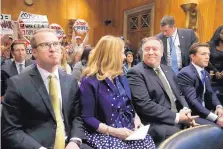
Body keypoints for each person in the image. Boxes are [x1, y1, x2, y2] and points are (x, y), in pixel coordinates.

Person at [1, 28, 90, 149]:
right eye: (45, 45)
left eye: (55, 44)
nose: (53, 49)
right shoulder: (17, 84)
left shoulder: (71, 81)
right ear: (34, 52)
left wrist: (75, 141)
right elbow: (10, 130)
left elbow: (77, 117)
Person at [79, 35, 155, 149]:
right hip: (104, 133)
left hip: (127, 130)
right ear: (111, 55)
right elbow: (87, 117)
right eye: (122, 53)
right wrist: (114, 131)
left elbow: (128, 105)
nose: (124, 57)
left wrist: (136, 118)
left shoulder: (121, 77)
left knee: (147, 144)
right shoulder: (90, 81)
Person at [127, 37, 197, 146]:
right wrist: (178, 118)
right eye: (147, 49)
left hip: (179, 117)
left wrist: (186, 110)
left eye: (154, 49)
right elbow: (145, 105)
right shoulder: (135, 73)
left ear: (161, 52)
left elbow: (179, 94)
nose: (150, 52)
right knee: (184, 139)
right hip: (156, 122)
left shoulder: (168, 70)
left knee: (208, 129)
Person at [177, 42, 223, 127]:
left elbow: (211, 93)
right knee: (217, 128)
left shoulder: (205, 73)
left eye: (208, 54)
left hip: (205, 111)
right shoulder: (185, 73)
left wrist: (219, 107)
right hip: (193, 114)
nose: (207, 57)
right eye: (203, 54)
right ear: (193, 56)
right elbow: (193, 101)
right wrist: (216, 118)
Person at [207, 25, 223, 99]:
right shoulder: (209, 45)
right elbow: (206, 59)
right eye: (222, 33)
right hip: (210, 73)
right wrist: (215, 71)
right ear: (218, 34)